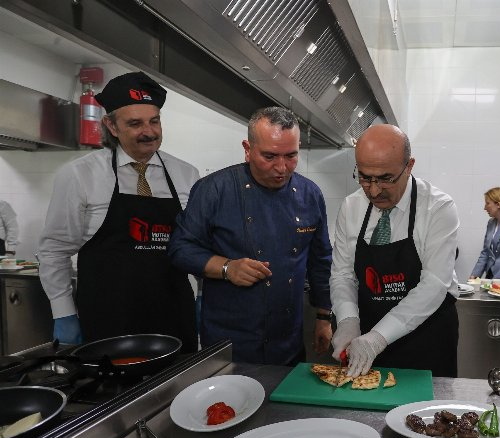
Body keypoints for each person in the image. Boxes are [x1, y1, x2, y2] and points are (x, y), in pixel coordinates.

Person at [38, 71, 200, 351]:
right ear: (111, 126)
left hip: (174, 317)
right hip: (107, 322)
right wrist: (63, 312)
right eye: (135, 124)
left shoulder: (187, 174)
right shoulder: (80, 175)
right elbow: (54, 250)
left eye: (154, 121)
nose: (149, 132)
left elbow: (198, 245)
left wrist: (204, 296)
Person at [168, 106, 333, 365]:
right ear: (247, 149)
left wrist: (324, 316)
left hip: (288, 339)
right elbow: (180, 249)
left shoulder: (310, 194)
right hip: (230, 342)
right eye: (270, 156)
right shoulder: (214, 189)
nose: (282, 167)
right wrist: (227, 268)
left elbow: (320, 260)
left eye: (291, 156)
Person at [330, 124, 460, 378]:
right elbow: (343, 274)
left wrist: (379, 338)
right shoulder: (351, 207)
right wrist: (347, 319)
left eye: (385, 178)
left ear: (409, 166)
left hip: (426, 339)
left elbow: (434, 284)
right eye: (365, 177)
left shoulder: (438, 208)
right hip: (364, 338)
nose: (374, 190)